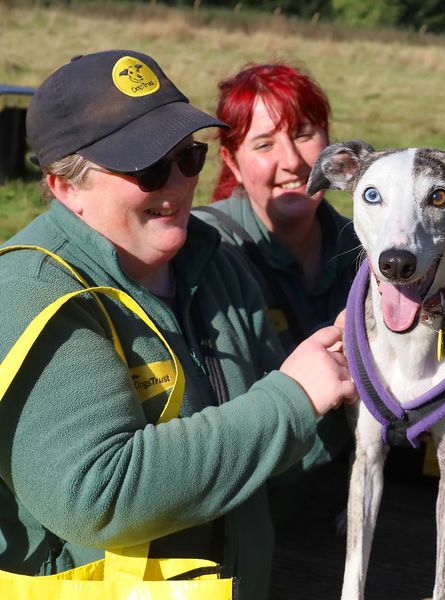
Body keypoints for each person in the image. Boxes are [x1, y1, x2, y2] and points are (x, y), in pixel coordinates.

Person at [0, 50, 355, 600]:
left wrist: (352, 389)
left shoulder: (216, 269)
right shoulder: (36, 290)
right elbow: (99, 495)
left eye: (187, 157)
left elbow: (274, 465)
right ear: (65, 186)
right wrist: (293, 399)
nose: (177, 184)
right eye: (146, 168)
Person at [195, 62, 360, 354]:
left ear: (328, 141)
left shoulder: (368, 248)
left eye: (302, 134)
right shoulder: (205, 250)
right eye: (264, 145)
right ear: (232, 162)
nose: (292, 161)